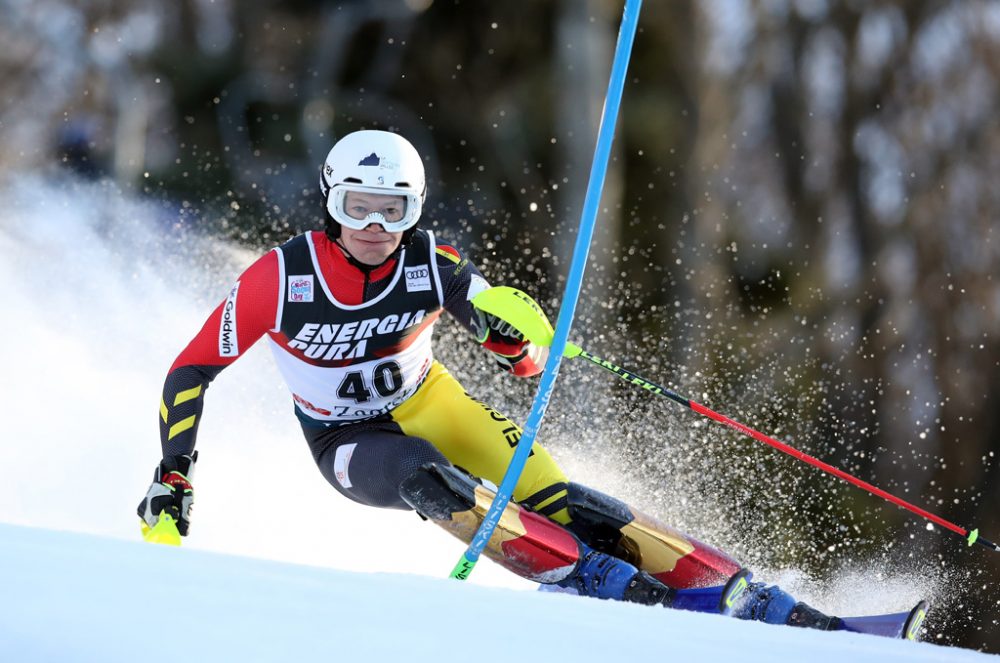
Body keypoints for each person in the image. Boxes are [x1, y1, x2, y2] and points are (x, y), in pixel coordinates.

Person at [138, 129, 842, 630]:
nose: (377, 227)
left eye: (395, 210)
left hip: (432, 401)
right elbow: (190, 370)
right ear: (330, 202)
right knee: (430, 476)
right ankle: (598, 585)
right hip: (349, 441)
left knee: (563, 499)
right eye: (359, 207)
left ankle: (747, 593)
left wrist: (517, 339)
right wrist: (174, 476)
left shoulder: (429, 264)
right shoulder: (281, 279)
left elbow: (513, 346)